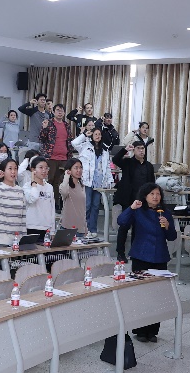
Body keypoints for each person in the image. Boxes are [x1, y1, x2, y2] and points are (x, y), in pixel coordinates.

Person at [116, 183, 176, 341]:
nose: (156, 197)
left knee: (157, 295)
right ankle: (140, 330)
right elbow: (121, 221)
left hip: (160, 257)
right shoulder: (138, 211)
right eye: (152, 194)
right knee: (141, 294)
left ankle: (153, 331)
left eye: (158, 194)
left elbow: (172, 237)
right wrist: (131, 208)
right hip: (141, 256)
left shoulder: (165, 213)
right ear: (145, 196)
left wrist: (168, 226)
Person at [112, 140, 155, 255]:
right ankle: (120, 253)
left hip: (142, 201)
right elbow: (115, 159)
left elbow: (152, 184)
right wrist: (125, 150)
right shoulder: (128, 162)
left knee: (138, 227)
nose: (141, 151)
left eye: (143, 148)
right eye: (138, 148)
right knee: (124, 226)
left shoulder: (149, 166)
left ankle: (135, 252)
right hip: (128, 200)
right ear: (134, 150)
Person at [72, 125, 114, 237]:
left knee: (95, 206)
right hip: (87, 181)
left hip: (99, 182)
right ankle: (83, 229)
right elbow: (74, 143)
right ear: (92, 135)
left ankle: (93, 229)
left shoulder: (105, 150)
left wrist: (110, 180)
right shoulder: (85, 146)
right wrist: (84, 135)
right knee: (87, 205)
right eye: (95, 134)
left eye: (99, 134)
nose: (97, 136)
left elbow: (107, 167)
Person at [37, 102, 75, 193]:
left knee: (60, 182)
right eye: (58, 110)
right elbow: (41, 139)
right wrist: (44, 128)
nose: (60, 112)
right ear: (53, 112)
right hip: (51, 157)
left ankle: (57, 201)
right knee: (49, 180)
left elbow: (69, 140)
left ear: (64, 113)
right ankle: (47, 199)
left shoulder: (66, 125)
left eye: (62, 111)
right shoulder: (49, 123)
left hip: (64, 158)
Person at [23, 157, 56, 237]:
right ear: (33, 170)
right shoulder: (27, 186)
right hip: (31, 226)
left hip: (46, 228)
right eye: (41, 167)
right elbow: (32, 199)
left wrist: (52, 230)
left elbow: (52, 209)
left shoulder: (49, 187)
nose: (44, 171)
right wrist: (33, 183)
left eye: (46, 168)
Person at [60, 160, 87, 235]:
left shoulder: (81, 186)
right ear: (69, 170)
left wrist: (85, 227)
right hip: (67, 227)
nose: (79, 170)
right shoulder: (65, 185)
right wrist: (66, 176)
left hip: (80, 229)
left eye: (80, 168)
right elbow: (63, 192)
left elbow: (83, 208)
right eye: (76, 168)